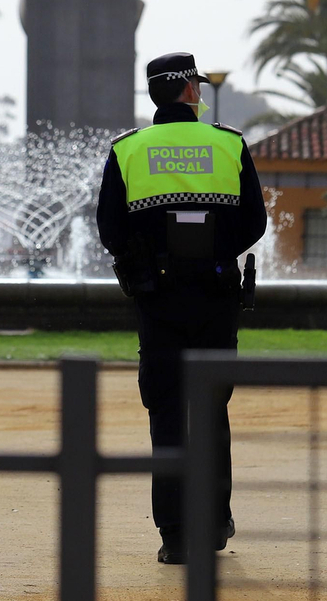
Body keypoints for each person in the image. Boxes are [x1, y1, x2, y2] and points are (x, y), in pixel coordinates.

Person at [96, 52, 268, 564]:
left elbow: (109, 229)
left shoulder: (128, 150)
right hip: (216, 298)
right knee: (212, 411)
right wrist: (215, 252)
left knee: (166, 414)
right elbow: (254, 221)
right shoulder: (228, 143)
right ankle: (214, 523)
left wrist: (147, 261)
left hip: (159, 300)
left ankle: (173, 535)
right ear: (192, 92)